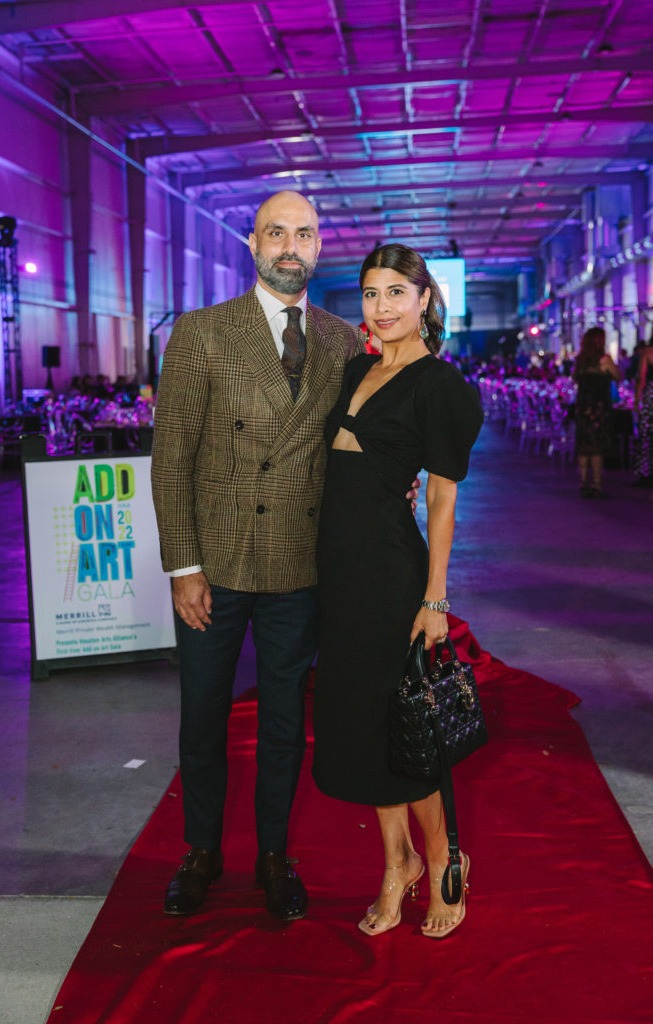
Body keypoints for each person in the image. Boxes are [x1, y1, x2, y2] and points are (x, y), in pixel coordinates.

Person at [151, 191, 419, 922]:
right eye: (276, 233)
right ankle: (201, 852)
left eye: (302, 233)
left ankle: (274, 857)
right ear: (253, 244)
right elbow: (171, 457)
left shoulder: (341, 339)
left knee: (280, 727)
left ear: (319, 242)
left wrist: (397, 483)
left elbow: (362, 439)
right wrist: (183, 567)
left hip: (300, 565)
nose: (289, 246)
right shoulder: (202, 333)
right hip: (215, 564)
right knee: (202, 718)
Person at [312, 243, 483, 939]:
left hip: (390, 575)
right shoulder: (356, 366)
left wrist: (434, 599)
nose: (379, 308)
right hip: (338, 575)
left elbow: (439, 499)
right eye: (370, 294)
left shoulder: (439, 386)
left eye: (394, 294)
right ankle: (396, 864)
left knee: (406, 729)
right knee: (360, 727)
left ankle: (443, 862)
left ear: (423, 302)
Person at [572, 327, 621, 498]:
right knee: (597, 448)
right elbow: (617, 377)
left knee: (584, 447)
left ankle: (583, 482)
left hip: (583, 407)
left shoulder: (580, 360)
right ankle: (597, 484)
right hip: (598, 408)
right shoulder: (604, 359)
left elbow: (574, 379)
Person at [633, 337, 653, 487]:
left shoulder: (648, 352)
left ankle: (645, 472)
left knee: (647, 434)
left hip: (650, 396)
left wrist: (636, 401)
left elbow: (642, 378)